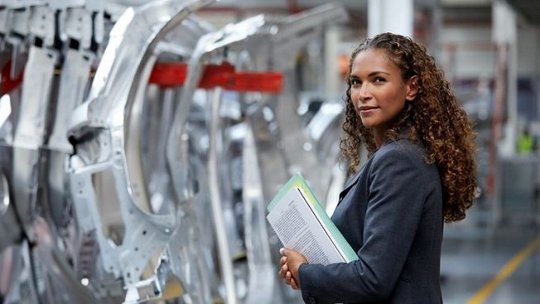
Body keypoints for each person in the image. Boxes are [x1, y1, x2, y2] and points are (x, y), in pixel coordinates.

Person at [278, 32, 477, 303]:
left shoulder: (399, 161)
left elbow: (373, 279)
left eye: (378, 80)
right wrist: (309, 273)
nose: (364, 94)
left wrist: (305, 272)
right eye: (356, 83)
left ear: (411, 88)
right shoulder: (395, 154)